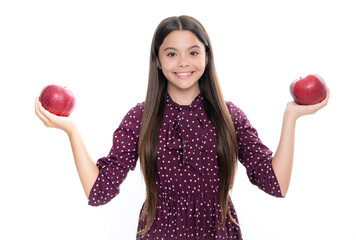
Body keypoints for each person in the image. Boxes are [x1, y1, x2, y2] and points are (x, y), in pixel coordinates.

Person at [34, 15, 329, 240]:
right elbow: (99, 192)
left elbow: (276, 184)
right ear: (159, 62)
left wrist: (291, 116)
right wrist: (71, 130)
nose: (183, 62)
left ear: (207, 56)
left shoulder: (229, 116)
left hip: (219, 232)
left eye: (193, 52)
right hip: (158, 232)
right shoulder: (141, 117)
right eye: (172, 53)